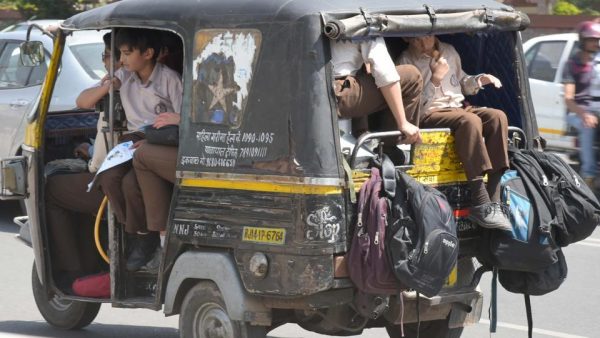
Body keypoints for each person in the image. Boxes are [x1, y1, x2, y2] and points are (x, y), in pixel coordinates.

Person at [399, 35, 511, 231]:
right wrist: (435, 78)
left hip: (457, 107)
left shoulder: (449, 51)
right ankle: (480, 200)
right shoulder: (406, 60)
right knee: (470, 121)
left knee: (497, 116)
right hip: (429, 113)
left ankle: (493, 200)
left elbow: (462, 82)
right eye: (414, 39)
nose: (420, 44)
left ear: (433, 36)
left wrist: (480, 79)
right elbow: (415, 105)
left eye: (424, 38)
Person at [94, 28, 183, 272]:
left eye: (126, 53)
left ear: (148, 53)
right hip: (131, 139)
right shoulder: (124, 75)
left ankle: (147, 239)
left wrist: (169, 125)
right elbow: (83, 101)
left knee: (131, 185)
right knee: (109, 178)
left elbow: (184, 117)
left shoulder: (169, 78)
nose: (121, 60)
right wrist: (106, 86)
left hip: (160, 139)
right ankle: (136, 233)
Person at [46, 33, 121, 290]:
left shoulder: (126, 85)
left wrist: (108, 84)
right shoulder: (131, 82)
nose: (104, 60)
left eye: (107, 55)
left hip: (112, 179)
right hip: (112, 171)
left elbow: (83, 102)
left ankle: (73, 272)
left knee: (51, 190)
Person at [331, 37, 423, 153]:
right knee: (412, 76)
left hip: (311, 93)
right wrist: (402, 122)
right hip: (334, 92)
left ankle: (362, 133)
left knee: (363, 71)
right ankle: (389, 149)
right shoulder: (362, 21)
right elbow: (385, 73)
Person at [563, 21, 600, 188]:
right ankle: (589, 174)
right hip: (575, 112)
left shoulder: (596, 65)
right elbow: (569, 99)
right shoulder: (571, 66)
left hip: (595, 109)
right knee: (587, 126)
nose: (596, 43)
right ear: (583, 41)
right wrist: (584, 115)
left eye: (598, 39)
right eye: (592, 39)